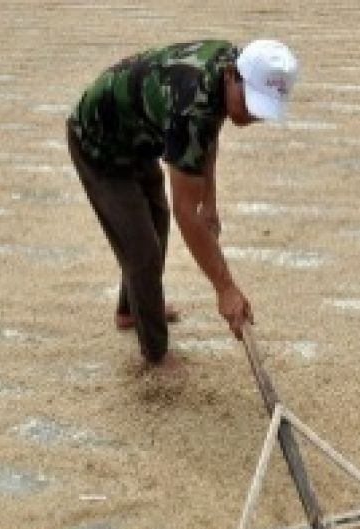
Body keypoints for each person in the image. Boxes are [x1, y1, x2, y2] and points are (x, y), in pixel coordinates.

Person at [66, 39, 298, 370]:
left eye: (262, 111)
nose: (251, 116)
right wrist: (226, 288)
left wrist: (210, 201)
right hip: (98, 141)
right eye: (250, 103)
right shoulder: (193, 102)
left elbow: (206, 135)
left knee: (155, 223)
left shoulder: (228, 66)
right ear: (233, 76)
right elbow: (186, 214)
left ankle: (129, 310)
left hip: (140, 134)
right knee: (142, 249)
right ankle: (156, 355)